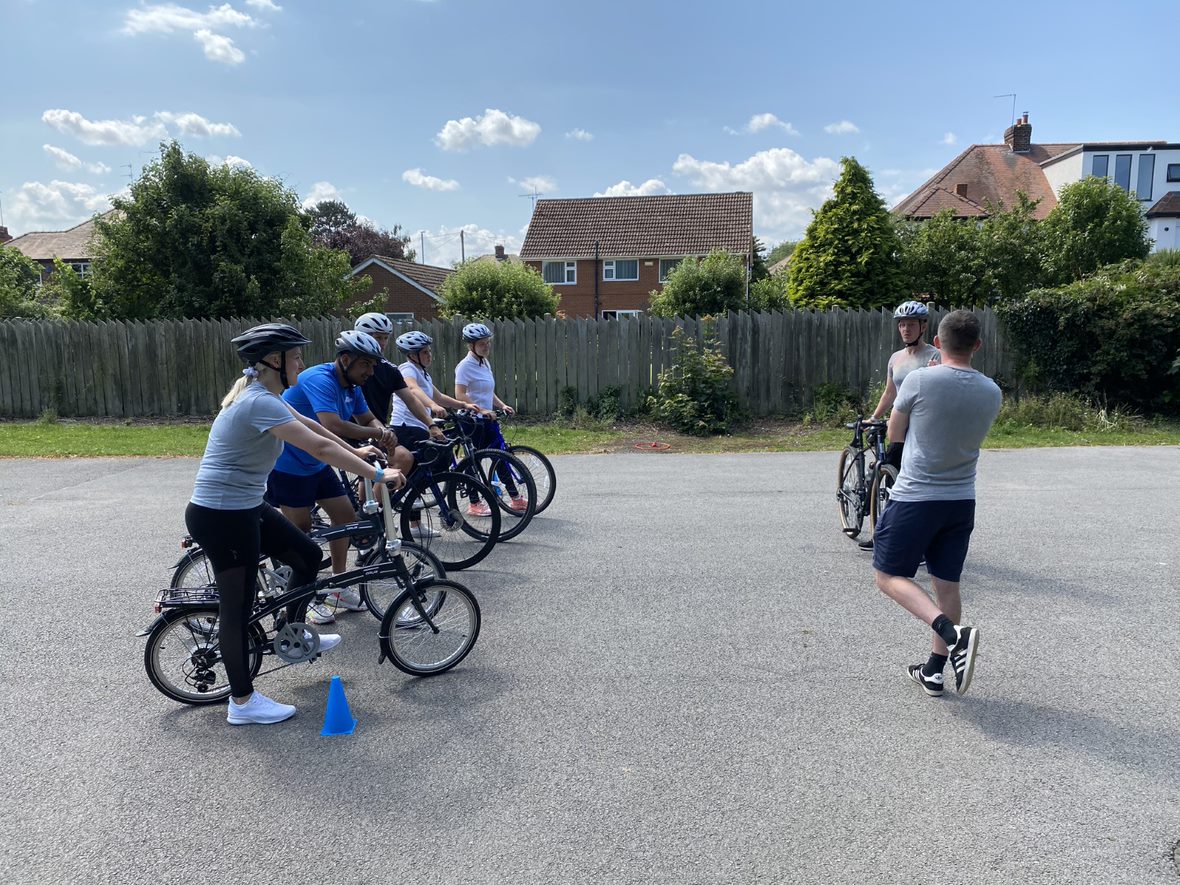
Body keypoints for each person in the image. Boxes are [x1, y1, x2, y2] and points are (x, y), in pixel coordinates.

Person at [186, 323, 404, 726]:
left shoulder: (269, 396)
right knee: (237, 607)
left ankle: (292, 632)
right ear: (274, 361)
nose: (302, 364)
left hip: (244, 506)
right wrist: (376, 477)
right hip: (223, 516)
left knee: (306, 555)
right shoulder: (257, 402)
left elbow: (318, 430)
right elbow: (317, 447)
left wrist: (357, 449)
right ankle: (242, 702)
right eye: (296, 357)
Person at [871, 310, 1001, 698]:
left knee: (887, 576)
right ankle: (933, 670)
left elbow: (895, 433)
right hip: (961, 500)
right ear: (977, 345)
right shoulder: (991, 391)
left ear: (938, 343)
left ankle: (951, 633)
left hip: (916, 497)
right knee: (947, 585)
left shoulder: (920, 379)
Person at [266, 329, 433, 624]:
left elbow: (366, 418)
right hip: (289, 466)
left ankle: (338, 585)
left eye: (373, 364)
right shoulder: (321, 379)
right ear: (346, 360)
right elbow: (332, 425)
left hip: (318, 465)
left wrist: (385, 433)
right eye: (366, 364)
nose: (371, 371)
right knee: (302, 535)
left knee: (345, 519)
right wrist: (376, 434)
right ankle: (307, 596)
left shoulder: (352, 385)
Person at [388, 330, 492, 537]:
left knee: (426, 469)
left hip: (419, 427)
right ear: (412, 355)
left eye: (429, 351)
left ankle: (415, 523)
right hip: (406, 427)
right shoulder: (407, 369)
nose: (429, 355)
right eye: (425, 352)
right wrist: (433, 407)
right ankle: (407, 500)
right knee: (430, 463)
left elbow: (439, 395)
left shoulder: (423, 371)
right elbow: (413, 390)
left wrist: (464, 404)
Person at [859, 301, 941, 551]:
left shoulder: (934, 356)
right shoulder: (895, 358)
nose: (905, 329)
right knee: (887, 474)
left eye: (911, 324)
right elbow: (889, 392)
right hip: (898, 425)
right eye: (902, 325)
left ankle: (923, 536)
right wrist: (874, 417)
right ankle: (881, 531)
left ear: (923, 326)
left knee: (920, 482)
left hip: (924, 427)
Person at [453, 322, 524, 517]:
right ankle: (474, 503)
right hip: (471, 421)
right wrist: (482, 410)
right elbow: (459, 395)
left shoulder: (484, 362)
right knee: (472, 463)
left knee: (501, 456)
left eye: (488, 343)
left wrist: (501, 405)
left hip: (488, 419)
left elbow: (488, 391)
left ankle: (516, 498)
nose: (487, 347)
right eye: (482, 344)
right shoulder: (464, 366)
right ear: (471, 346)